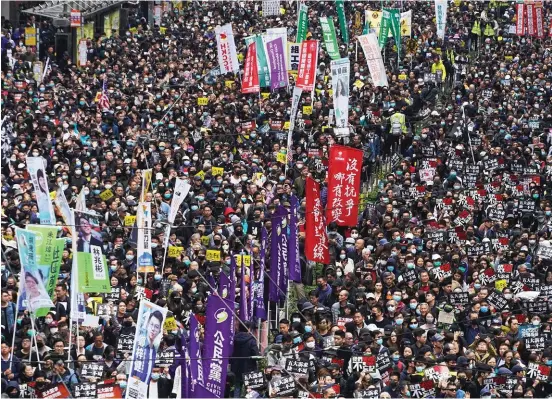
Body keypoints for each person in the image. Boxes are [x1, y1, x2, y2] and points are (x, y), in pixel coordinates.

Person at [131, 310, 163, 384]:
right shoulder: (138, 345)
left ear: (159, 330)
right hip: (134, 385)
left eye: (156, 327)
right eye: (151, 324)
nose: (153, 329)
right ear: (147, 324)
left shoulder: (156, 352)